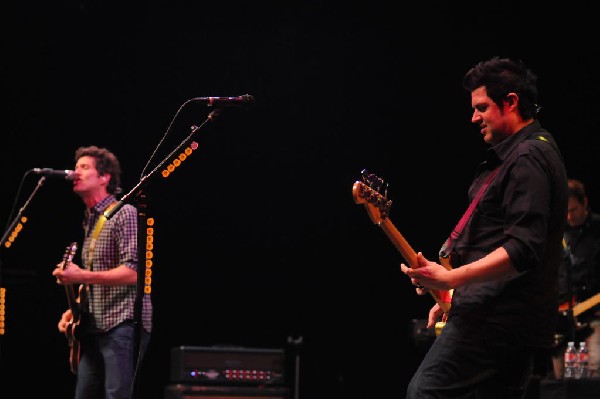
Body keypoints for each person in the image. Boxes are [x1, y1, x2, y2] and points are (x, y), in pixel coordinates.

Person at [400, 56, 568, 398]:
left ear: (511, 102)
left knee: (425, 393)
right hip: (508, 319)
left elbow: (523, 249)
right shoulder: (525, 154)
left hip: (496, 320)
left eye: (481, 107)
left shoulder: (526, 159)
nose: (473, 117)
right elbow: (502, 243)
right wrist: (458, 292)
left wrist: (450, 279)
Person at [52, 145, 153, 399]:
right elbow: (96, 279)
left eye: (84, 168)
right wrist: (75, 310)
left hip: (123, 323)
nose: (76, 173)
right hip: (94, 326)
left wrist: (80, 275)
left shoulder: (124, 214)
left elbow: (135, 273)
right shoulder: (90, 221)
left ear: (105, 177)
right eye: (76, 168)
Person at [551, 178, 600, 378]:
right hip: (562, 317)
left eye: (573, 210)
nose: (569, 216)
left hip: (595, 315)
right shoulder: (556, 233)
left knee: (593, 370)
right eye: (565, 211)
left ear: (585, 203)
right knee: (560, 380)